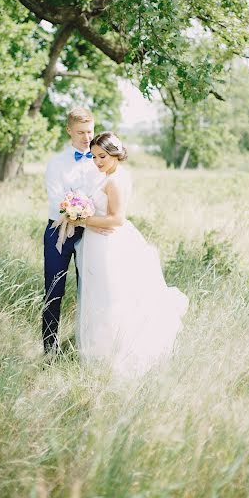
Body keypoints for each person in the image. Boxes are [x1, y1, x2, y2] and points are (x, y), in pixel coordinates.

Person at [74, 131, 189, 377]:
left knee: (109, 296)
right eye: (94, 157)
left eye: (102, 156)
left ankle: (117, 352)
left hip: (109, 244)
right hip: (96, 241)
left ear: (114, 153)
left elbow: (117, 219)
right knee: (98, 295)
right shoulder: (107, 175)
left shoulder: (115, 180)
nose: (97, 161)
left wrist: (83, 219)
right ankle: (100, 350)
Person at [42, 107, 106, 355]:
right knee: (54, 289)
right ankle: (50, 349)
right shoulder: (56, 163)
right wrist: (75, 210)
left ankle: (86, 347)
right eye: (80, 132)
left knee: (89, 290)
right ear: (69, 130)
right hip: (59, 231)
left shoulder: (101, 160)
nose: (86, 137)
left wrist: (89, 216)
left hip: (91, 233)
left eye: (89, 131)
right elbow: (57, 201)